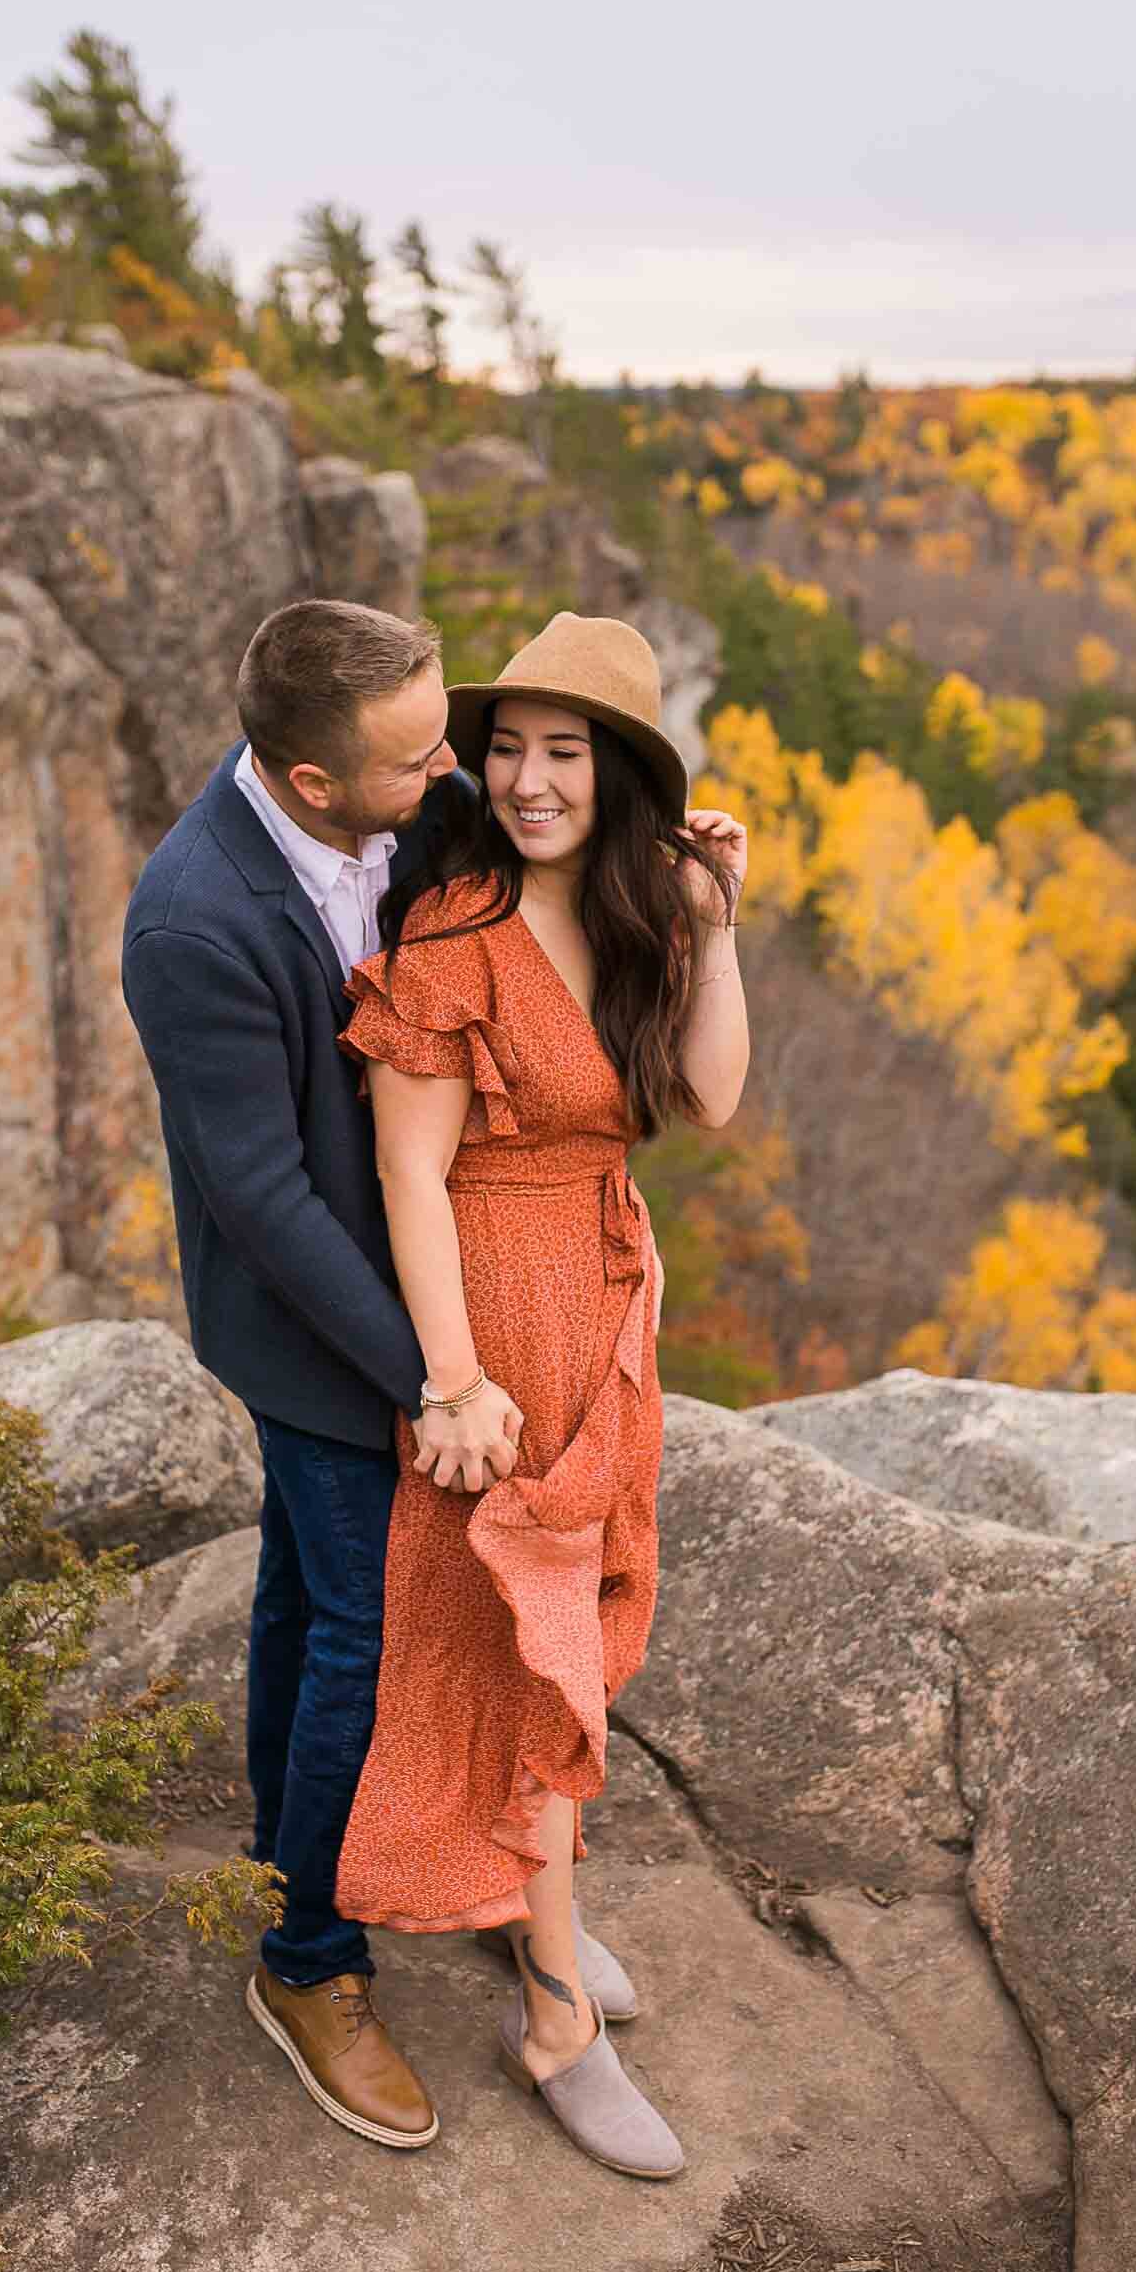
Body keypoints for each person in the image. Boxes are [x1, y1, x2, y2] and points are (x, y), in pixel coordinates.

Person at [332, 610, 749, 2179]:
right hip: (500, 1327)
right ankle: (559, 2013)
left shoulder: (636, 916)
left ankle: (531, 1904)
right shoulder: (452, 940)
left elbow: (706, 1095)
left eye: (562, 753)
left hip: (602, 1302)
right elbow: (408, 1179)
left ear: (619, 775)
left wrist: (719, 926)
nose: (524, 780)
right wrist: (451, 1379)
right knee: (529, 1652)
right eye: (505, 748)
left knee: (574, 1625)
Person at [121, 598, 510, 2154]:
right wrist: (434, 1377)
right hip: (312, 1329)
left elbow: (500, 822)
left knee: (299, 1601)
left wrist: (656, 849)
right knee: (367, 1619)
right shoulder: (193, 921)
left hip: (411, 1277)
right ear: (304, 779)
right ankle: (307, 1963)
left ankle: (289, 1856)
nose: (448, 778)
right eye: (415, 763)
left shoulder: (397, 802)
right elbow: (262, 1198)